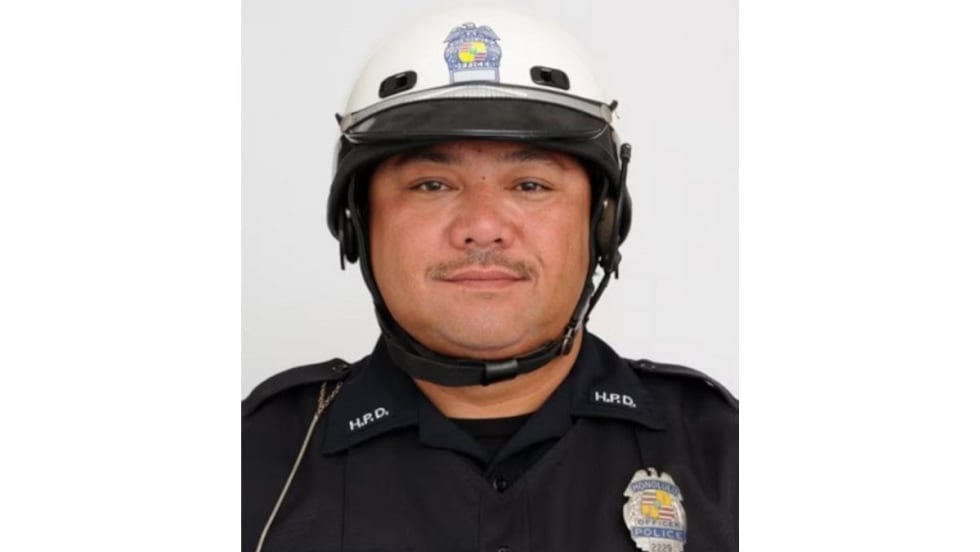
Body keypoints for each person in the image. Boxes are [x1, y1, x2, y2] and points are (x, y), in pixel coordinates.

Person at [243, 7, 737, 552]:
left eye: (530, 185)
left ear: (603, 223)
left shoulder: (726, 456)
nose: (482, 227)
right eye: (431, 185)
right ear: (358, 222)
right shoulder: (255, 462)